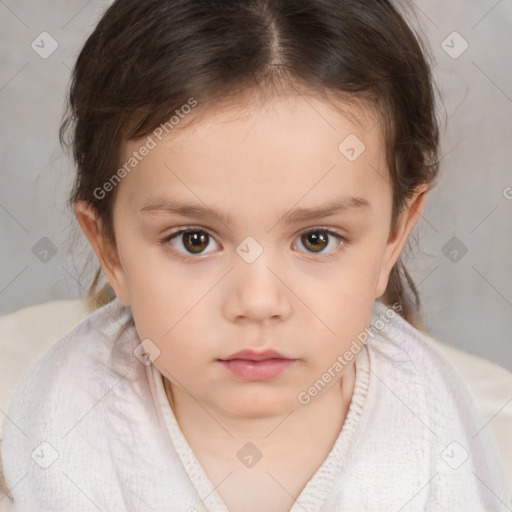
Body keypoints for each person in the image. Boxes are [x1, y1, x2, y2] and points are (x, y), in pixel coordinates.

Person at [1, 0, 510, 510]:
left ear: (393, 237)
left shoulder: (441, 444)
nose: (259, 302)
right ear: (109, 248)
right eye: (194, 240)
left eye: (316, 239)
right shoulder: (51, 438)